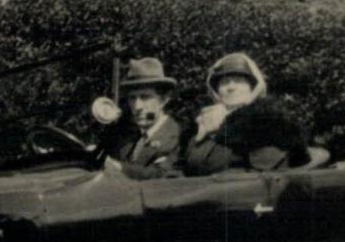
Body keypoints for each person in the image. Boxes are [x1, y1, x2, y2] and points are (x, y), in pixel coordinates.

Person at [182, 52, 310, 176]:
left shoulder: (268, 124)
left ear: (253, 87)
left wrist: (226, 124)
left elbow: (264, 171)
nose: (231, 87)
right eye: (224, 82)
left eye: (238, 80)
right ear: (216, 91)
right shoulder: (202, 124)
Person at [96, 58, 183, 179]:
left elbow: (161, 175)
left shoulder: (179, 136)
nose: (137, 106)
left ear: (163, 100)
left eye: (145, 97)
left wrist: (118, 167)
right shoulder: (125, 133)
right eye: (132, 98)